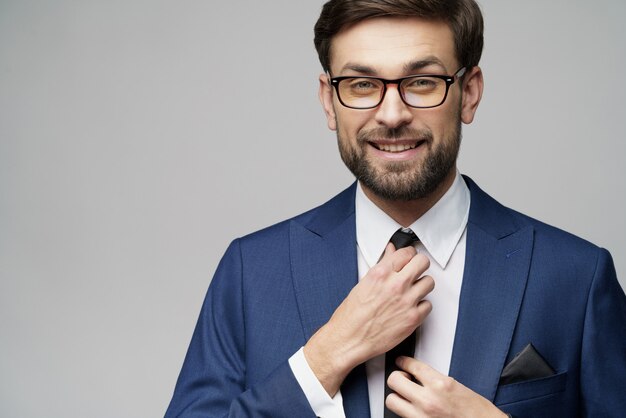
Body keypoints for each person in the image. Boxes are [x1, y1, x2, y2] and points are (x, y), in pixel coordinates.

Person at [165, 0, 626, 417]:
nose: (391, 114)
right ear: (329, 101)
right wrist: (324, 358)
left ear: (469, 92)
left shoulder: (577, 277)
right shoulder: (250, 272)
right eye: (362, 84)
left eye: (422, 82)